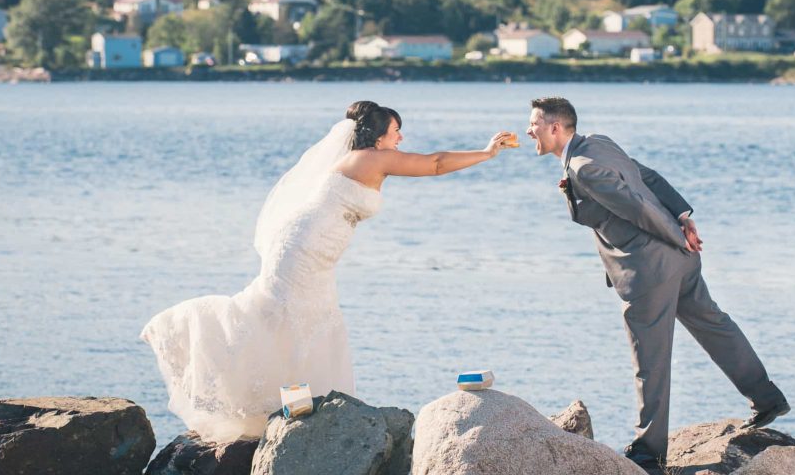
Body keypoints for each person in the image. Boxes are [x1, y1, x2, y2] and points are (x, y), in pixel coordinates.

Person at [142, 102, 516, 442]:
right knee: (280, 316)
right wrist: (486, 153)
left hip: (317, 251)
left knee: (303, 322)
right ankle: (190, 335)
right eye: (396, 130)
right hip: (303, 247)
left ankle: (294, 408)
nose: (401, 138)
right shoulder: (370, 158)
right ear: (377, 136)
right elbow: (434, 164)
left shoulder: (368, 159)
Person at [525, 96, 788, 470]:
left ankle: (650, 450)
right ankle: (768, 400)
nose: (527, 130)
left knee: (650, 358)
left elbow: (638, 206)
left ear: (554, 128)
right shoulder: (597, 142)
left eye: (533, 123)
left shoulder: (583, 166)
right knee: (715, 326)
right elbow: (645, 176)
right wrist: (683, 217)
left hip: (649, 269)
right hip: (679, 260)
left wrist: (677, 235)